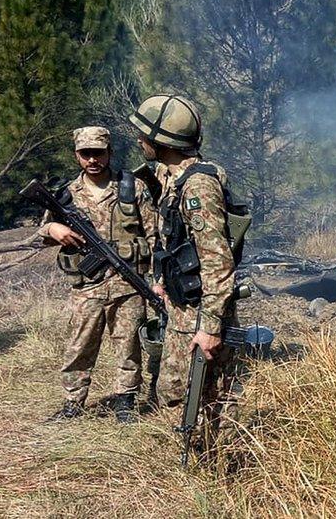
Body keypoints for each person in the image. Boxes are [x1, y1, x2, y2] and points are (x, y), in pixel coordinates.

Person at [128, 94, 243, 445]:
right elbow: (174, 239)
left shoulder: (197, 187)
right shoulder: (174, 178)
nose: (139, 141)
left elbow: (218, 263)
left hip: (200, 312)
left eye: (144, 135)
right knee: (176, 391)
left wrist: (210, 328)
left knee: (206, 398)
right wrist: (163, 280)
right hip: (182, 308)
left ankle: (218, 468)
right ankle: (194, 458)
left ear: (163, 142)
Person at [37, 127, 155, 423]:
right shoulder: (65, 195)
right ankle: (73, 402)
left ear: (109, 152)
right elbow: (43, 230)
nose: (92, 159)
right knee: (80, 346)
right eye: (85, 153)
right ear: (77, 155)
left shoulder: (132, 187)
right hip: (87, 287)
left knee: (128, 345)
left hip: (127, 284)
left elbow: (153, 236)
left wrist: (158, 280)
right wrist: (54, 229)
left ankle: (125, 400)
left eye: (98, 152)